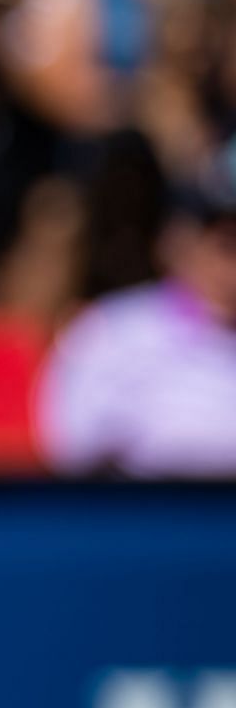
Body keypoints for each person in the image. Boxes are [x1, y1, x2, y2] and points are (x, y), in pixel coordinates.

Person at [36, 146, 236, 478]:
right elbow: (71, 453)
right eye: (226, 244)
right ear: (181, 241)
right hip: (147, 520)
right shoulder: (114, 333)